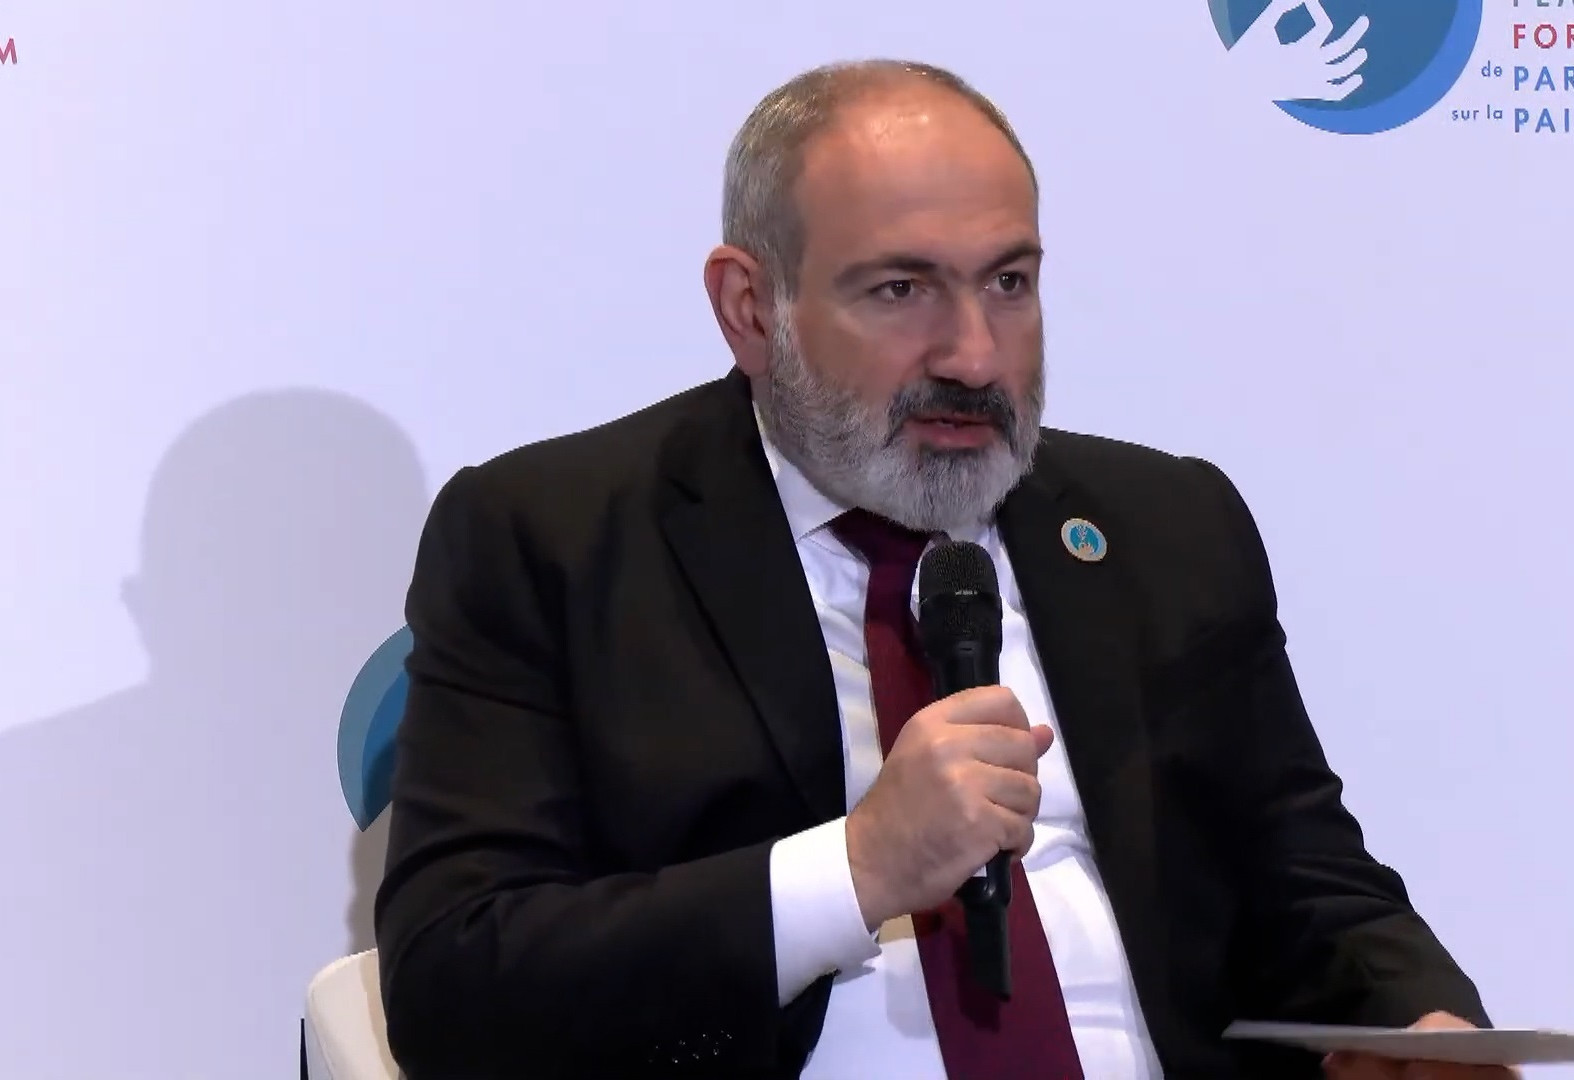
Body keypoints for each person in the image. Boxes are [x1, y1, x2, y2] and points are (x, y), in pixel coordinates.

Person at [373, 58, 1514, 1080]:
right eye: (900, 290)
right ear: (750, 308)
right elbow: (455, 987)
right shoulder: (555, 539)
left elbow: (1308, 879)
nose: (974, 355)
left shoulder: (1165, 524)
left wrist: (1418, 1025)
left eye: (1009, 283)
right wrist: (858, 868)